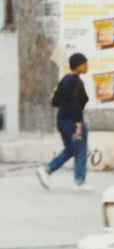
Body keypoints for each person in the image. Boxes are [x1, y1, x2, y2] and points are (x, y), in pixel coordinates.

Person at [36, 53, 91, 191]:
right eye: (84, 64)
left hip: (62, 119)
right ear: (78, 65)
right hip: (73, 121)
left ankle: (46, 170)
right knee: (80, 150)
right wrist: (78, 124)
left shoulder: (64, 80)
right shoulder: (76, 82)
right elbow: (76, 104)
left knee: (71, 149)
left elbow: (55, 102)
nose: (86, 66)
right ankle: (79, 181)